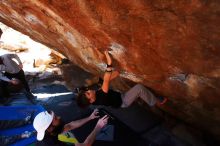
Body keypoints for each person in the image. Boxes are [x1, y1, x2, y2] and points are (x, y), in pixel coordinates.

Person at [76, 51, 167, 108]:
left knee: (105, 80)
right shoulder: (102, 99)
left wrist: (117, 73)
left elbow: (105, 83)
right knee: (139, 88)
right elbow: (106, 81)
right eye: (88, 93)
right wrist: (109, 62)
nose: (89, 90)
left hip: (118, 96)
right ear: (91, 100)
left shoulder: (94, 97)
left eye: (86, 91)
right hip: (123, 101)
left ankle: (139, 98)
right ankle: (155, 102)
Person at [33, 109, 108, 146]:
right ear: (50, 128)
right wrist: (98, 126)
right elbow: (85, 145)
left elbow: (70, 126)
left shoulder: (50, 131)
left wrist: (90, 117)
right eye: (55, 118)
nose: (59, 117)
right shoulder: (53, 144)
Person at [0, 28, 34, 99]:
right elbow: (0, 76)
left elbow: (15, 55)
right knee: (3, 84)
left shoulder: (5, 56)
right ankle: (7, 97)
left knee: (24, 81)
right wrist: (11, 81)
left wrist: (20, 63)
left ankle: (29, 93)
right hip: (9, 73)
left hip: (18, 71)